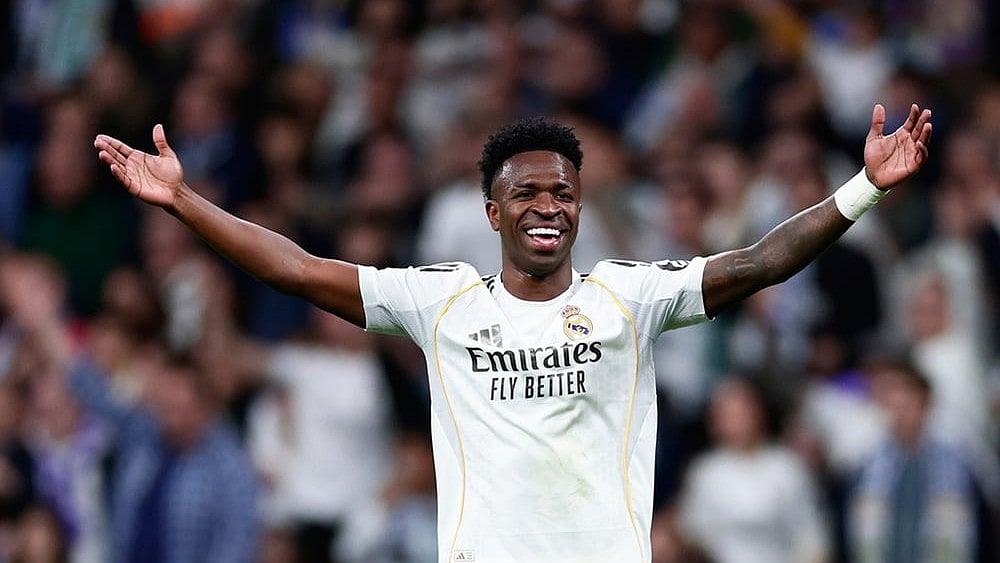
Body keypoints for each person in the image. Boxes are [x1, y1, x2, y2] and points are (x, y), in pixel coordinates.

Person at [93, 103, 932, 562]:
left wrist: (863, 186)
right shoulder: (442, 302)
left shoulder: (629, 296)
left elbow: (758, 262)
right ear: (492, 211)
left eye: (562, 194)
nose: (546, 207)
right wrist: (185, 203)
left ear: (578, 209)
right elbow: (300, 270)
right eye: (527, 193)